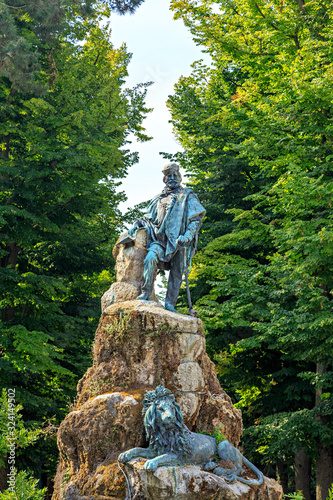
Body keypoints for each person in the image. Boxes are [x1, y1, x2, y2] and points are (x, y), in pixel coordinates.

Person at [127, 162, 206, 313]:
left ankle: (170, 304)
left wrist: (187, 236)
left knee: (176, 273)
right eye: (169, 176)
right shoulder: (159, 199)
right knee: (150, 258)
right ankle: (146, 293)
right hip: (160, 239)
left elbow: (196, 220)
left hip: (180, 241)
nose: (172, 178)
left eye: (175, 175)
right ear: (164, 179)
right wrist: (139, 223)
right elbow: (150, 219)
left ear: (180, 177)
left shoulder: (187, 195)